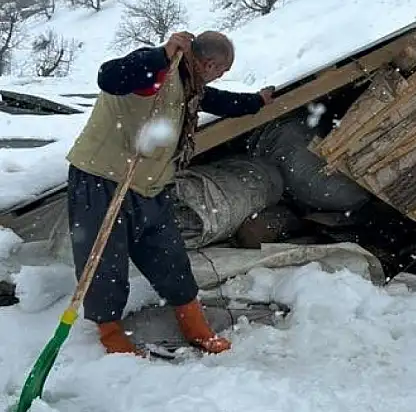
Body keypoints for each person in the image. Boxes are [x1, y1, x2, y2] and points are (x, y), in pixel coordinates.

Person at [65, 30, 276, 356]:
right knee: (105, 260)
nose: (221, 76)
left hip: (151, 186)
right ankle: (110, 334)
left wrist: (257, 101)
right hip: (103, 180)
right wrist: (161, 55)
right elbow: (109, 77)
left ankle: (194, 324)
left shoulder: (189, 85)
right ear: (208, 64)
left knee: (168, 254)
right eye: (222, 70)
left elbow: (221, 101)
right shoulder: (155, 72)